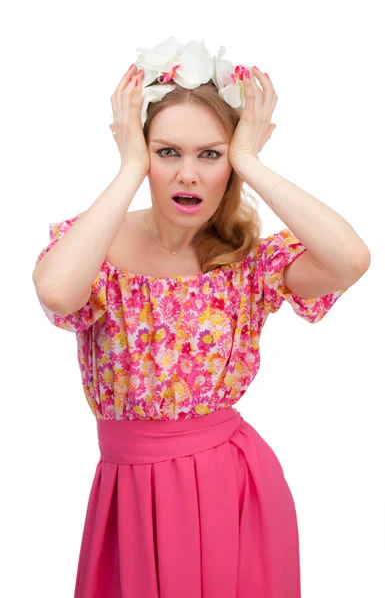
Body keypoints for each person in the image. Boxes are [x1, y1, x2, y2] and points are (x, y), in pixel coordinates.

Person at [32, 38, 370, 598]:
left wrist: (250, 162)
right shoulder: (96, 247)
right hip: (127, 491)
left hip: (229, 488)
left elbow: (351, 260)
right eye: (168, 152)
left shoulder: (248, 261)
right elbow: (56, 292)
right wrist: (129, 169)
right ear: (144, 152)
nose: (188, 173)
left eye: (209, 155)